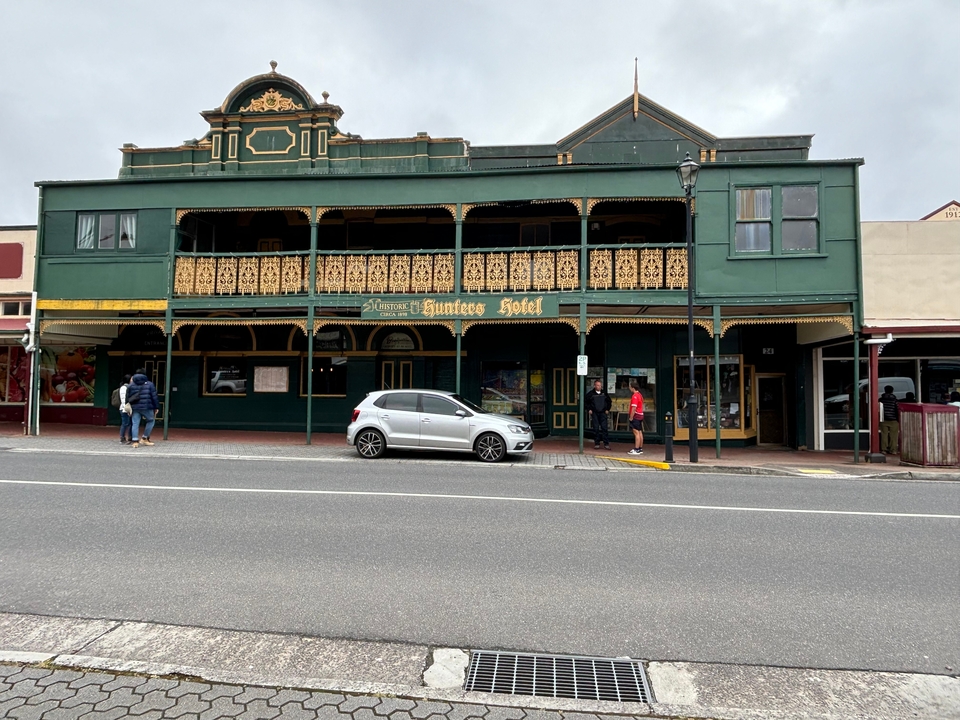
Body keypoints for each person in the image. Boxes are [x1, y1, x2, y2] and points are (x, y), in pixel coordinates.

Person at [129, 369, 159, 449]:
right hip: (147, 406)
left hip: (135, 407)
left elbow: (128, 396)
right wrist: (156, 407)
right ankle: (144, 438)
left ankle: (135, 441)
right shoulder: (149, 384)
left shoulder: (131, 385)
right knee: (151, 420)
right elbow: (154, 396)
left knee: (135, 423)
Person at [586, 379, 611, 450]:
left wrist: (607, 409)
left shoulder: (604, 394)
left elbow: (609, 402)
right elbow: (586, 402)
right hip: (595, 413)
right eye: (597, 385)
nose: (599, 387)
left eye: (600, 385)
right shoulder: (590, 394)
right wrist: (589, 409)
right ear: (594, 386)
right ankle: (597, 443)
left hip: (603, 413)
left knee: (604, 428)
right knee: (596, 428)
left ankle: (606, 443)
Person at [878, 384, 899, 454]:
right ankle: (893, 450)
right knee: (893, 435)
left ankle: (884, 449)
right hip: (893, 420)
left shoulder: (881, 400)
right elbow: (897, 410)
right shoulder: (895, 400)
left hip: (883, 419)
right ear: (892, 391)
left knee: (884, 434)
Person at [627, 381, 644, 455]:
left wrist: (631, 417)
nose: (629, 388)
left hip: (636, 415)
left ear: (633, 388)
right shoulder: (640, 395)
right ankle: (640, 448)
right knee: (639, 431)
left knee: (636, 432)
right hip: (640, 414)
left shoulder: (635, 396)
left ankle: (636, 449)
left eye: (630, 387)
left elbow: (634, 408)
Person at [118, 374, 133, 444]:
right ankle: (122, 437)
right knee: (125, 423)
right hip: (125, 409)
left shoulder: (126, 387)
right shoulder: (124, 388)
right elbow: (124, 399)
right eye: (131, 379)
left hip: (125, 408)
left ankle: (129, 436)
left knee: (129, 423)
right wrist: (127, 409)